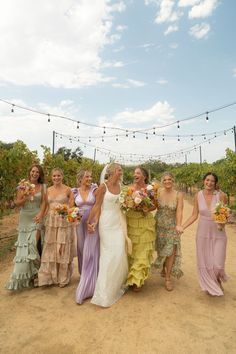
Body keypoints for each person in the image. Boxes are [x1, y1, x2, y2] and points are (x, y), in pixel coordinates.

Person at [87, 163, 129, 307]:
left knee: (119, 252)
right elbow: (97, 206)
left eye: (121, 170)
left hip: (118, 222)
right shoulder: (102, 187)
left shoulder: (121, 188)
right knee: (108, 255)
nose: (121, 172)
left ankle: (116, 285)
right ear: (111, 172)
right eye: (119, 170)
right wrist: (91, 221)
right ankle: (104, 292)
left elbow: (123, 206)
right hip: (106, 223)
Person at [181, 172, 228, 296]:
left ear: (215, 183)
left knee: (218, 263)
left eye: (212, 181)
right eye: (207, 180)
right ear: (204, 181)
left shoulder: (222, 195)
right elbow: (194, 215)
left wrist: (222, 223)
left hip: (218, 232)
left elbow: (225, 215)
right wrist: (182, 227)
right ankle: (211, 283)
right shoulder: (198, 195)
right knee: (205, 260)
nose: (209, 183)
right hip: (202, 232)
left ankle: (217, 278)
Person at [6, 164, 46, 290]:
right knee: (24, 248)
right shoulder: (22, 186)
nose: (35, 174)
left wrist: (41, 214)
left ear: (40, 175)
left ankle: (36, 273)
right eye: (33, 171)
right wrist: (26, 197)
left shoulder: (44, 187)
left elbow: (45, 202)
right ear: (29, 172)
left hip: (37, 218)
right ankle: (29, 276)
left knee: (33, 244)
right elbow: (18, 203)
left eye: (37, 172)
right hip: (25, 218)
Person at [38, 168, 75, 288]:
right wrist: (40, 216)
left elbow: (71, 206)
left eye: (58, 175)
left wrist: (65, 209)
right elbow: (44, 205)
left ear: (62, 176)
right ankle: (50, 276)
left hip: (63, 222)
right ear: (51, 177)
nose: (56, 178)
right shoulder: (47, 190)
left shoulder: (68, 189)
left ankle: (62, 278)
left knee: (62, 248)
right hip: (51, 222)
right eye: (54, 176)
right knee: (51, 247)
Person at [126, 167, 156, 292]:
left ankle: (137, 281)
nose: (135, 175)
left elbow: (155, 205)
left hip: (145, 222)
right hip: (132, 221)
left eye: (138, 173)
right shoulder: (129, 189)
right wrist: (130, 204)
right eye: (134, 173)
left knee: (142, 250)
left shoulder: (150, 189)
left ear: (144, 176)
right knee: (132, 250)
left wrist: (147, 209)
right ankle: (131, 277)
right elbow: (125, 203)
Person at [72, 169, 99, 304]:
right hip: (79, 223)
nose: (89, 178)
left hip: (92, 223)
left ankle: (92, 281)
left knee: (91, 251)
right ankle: (85, 277)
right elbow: (70, 208)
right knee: (82, 249)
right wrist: (72, 217)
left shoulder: (94, 189)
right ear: (80, 179)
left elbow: (99, 206)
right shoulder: (74, 192)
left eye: (90, 176)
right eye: (87, 176)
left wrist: (94, 221)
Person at [154, 172, 184, 291]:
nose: (167, 181)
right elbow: (152, 205)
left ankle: (167, 278)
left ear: (173, 181)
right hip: (159, 225)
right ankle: (163, 267)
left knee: (171, 250)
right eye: (165, 180)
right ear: (162, 181)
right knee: (161, 248)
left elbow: (179, 211)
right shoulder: (158, 192)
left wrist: (179, 225)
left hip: (172, 226)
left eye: (169, 179)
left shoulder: (178, 194)